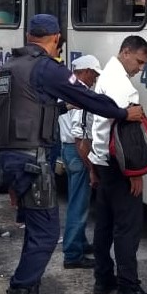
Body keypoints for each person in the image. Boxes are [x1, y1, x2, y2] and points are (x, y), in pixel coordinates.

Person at [0, 14, 144, 294]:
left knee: (36, 232)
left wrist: (57, 108)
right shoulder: (47, 67)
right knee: (46, 236)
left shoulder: (10, 66)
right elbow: (89, 97)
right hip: (32, 161)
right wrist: (122, 112)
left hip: (12, 157)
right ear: (56, 38)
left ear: (30, 34)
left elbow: (29, 107)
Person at [89, 35, 147, 294]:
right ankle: (128, 290)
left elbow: (99, 124)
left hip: (103, 161)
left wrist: (94, 164)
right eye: (139, 62)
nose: (140, 69)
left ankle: (103, 279)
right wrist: (135, 172)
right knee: (127, 228)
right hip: (120, 166)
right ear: (126, 52)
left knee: (105, 225)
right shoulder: (121, 85)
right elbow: (126, 133)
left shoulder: (106, 76)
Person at [59, 55, 102, 269]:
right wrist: (91, 168)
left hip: (68, 151)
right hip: (77, 152)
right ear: (84, 72)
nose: (95, 79)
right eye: (94, 74)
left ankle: (80, 243)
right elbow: (80, 136)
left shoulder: (67, 86)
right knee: (79, 204)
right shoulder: (80, 94)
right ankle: (72, 254)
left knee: (76, 200)